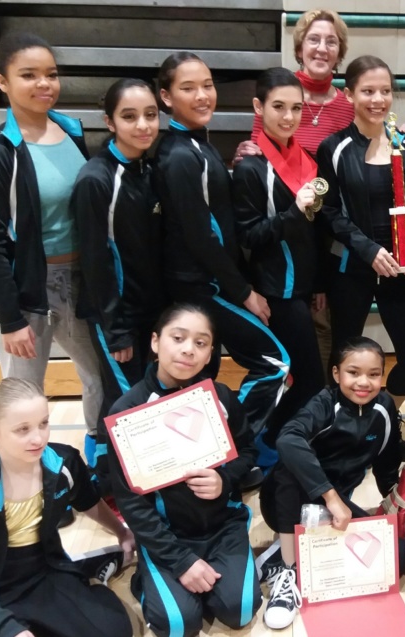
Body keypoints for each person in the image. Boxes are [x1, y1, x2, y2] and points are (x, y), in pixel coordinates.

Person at [154, 52, 290, 487]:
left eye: (208, 85)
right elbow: (201, 237)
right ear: (166, 96)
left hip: (211, 283)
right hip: (202, 288)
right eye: (188, 87)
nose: (202, 95)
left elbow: (214, 216)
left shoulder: (198, 145)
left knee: (202, 380)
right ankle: (230, 443)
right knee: (275, 361)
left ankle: (205, 460)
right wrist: (242, 291)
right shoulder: (179, 156)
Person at [0, 32, 105, 467]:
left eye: (50, 74)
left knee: (99, 375)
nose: (44, 84)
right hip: (23, 288)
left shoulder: (70, 131)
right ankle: (24, 478)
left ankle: (99, 464)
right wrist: (11, 319)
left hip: (79, 278)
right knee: (24, 395)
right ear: (3, 82)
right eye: (28, 75)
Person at [105, 304, 262, 636]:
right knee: (179, 625)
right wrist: (180, 562)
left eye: (201, 343)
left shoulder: (220, 398)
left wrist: (225, 478)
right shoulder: (128, 412)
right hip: (167, 535)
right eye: (178, 338)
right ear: (155, 342)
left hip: (223, 528)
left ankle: (204, 581)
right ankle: (147, 579)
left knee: (240, 610)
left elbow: (248, 450)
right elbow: (132, 504)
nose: (189, 349)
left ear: (208, 356)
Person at [0, 378, 134, 637]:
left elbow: (88, 502)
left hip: (45, 571)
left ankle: (91, 570)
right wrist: (8, 630)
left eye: (43, 423)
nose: (38, 437)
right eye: (22, 429)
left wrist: (122, 532)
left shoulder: (64, 462)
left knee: (113, 630)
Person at [316, 55, 405, 451]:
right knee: (344, 358)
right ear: (349, 94)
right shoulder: (333, 148)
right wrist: (369, 251)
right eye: (367, 91)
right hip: (353, 268)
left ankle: (386, 415)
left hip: (400, 270)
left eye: (385, 90)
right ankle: (343, 430)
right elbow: (329, 213)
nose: (378, 99)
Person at [256, 337, 401, 629]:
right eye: (353, 372)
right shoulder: (323, 403)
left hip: (334, 511)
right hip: (286, 501)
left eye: (374, 374)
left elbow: (387, 463)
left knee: (395, 557)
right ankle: (288, 568)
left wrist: (394, 507)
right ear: (336, 374)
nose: (364, 382)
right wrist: (330, 496)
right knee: (289, 467)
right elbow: (288, 438)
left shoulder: (385, 410)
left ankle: (277, 556)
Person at [73, 78, 165, 487]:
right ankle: (112, 486)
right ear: (109, 121)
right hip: (118, 318)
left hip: (151, 314)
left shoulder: (149, 168)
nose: (143, 125)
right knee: (130, 405)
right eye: (129, 117)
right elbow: (96, 263)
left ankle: (120, 479)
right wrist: (117, 330)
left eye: (150, 115)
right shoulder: (96, 180)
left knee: (139, 401)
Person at [233, 68, 326, 462]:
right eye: (278, 107)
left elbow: (315, 233)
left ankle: (274, 442)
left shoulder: (306, 158)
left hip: (304, 288)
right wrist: (293, 211)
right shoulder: (251, 167)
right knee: (307, 380)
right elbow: (249, 235)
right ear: (259, 107)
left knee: (300, 377)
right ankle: (266, 443)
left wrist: (319, 282)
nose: (288, 117)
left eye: (295, 109)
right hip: (276, 290)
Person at [234, 8, 353, 161]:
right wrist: (244, 157)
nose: (322, 49)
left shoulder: (349, 108)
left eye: (331, 42)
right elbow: (258, 154)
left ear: (339, 54)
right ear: (299, 50)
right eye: (314, 39)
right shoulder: (274, 94)